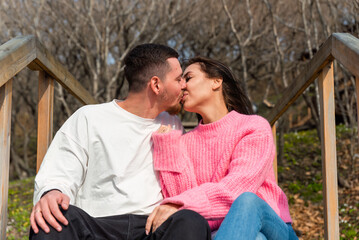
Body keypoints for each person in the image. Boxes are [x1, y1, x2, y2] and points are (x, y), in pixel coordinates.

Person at [29, 44, 211, 240]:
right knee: (52, 218)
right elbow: (60, 171)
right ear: (156, 85)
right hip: (96, 226)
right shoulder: (89, 117)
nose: (184, 85)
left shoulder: (173, 125)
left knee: (191, 222)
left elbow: (185, 181)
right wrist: (53, 191)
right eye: (178, 79)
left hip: (151, 228)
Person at [147, 57, 298, 240]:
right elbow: (182, 203)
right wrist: (166, 145)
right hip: (222, 233)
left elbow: (237, 190)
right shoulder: (185, 142)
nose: (182, 86)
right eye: (181, 81)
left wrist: (181, 204)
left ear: (216, 82)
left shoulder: (253, 127)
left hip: (273, 228)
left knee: (247, 201)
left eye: (188, 78)